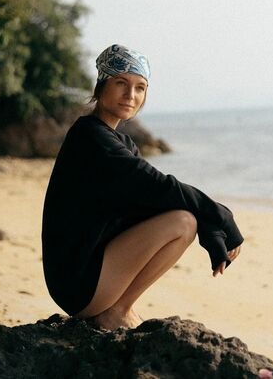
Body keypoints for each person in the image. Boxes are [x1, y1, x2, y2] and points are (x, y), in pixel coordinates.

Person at [42, 44, 244, 330]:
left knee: (184, 217)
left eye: (140, 88)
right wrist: (222, 216)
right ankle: (117, 310)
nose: (130, 95)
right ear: (101, 86)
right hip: (77, 281)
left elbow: (155, 201)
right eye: (121, 84)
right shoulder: (91, 137)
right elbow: (158, 186)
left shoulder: (119, 141)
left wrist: (209, 227)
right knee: (183, 222)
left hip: (90, 272)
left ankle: (118, 307)